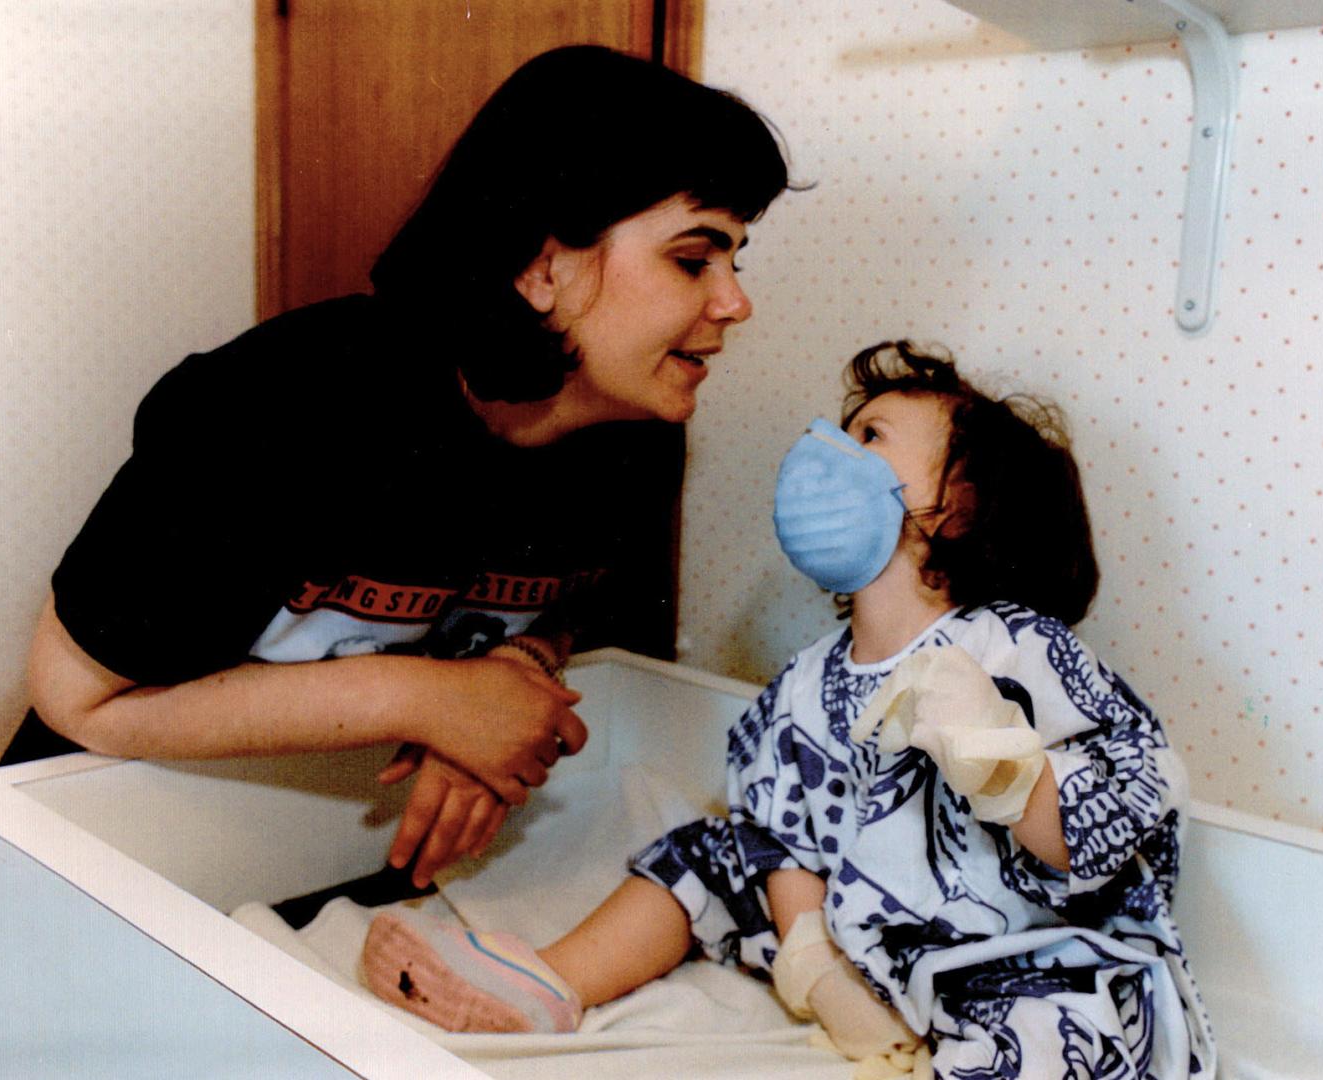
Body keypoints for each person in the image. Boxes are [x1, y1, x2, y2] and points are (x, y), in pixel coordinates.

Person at [10, 45, 793, 890]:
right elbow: (75, 697)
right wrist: (428, 700)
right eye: (692, 258)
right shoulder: (285, 406)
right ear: (540, 266)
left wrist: (514, 677)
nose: (734, 303)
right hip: (95, 833)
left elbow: (571, 610)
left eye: (734, 261)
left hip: (332, 843)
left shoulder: (634, 437)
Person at [357, 342, 1217, 1079]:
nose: (828, 453)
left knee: (1067, 1033)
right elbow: (783, 837)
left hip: (1003, 956)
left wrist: (1001, 763)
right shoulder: (804, 685)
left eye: (869, 437)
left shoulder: (1013, 646)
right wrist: (814, 965)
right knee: (711, 851)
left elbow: (1122, 814)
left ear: (952, 507)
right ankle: (550, 983)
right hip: (864, 943)